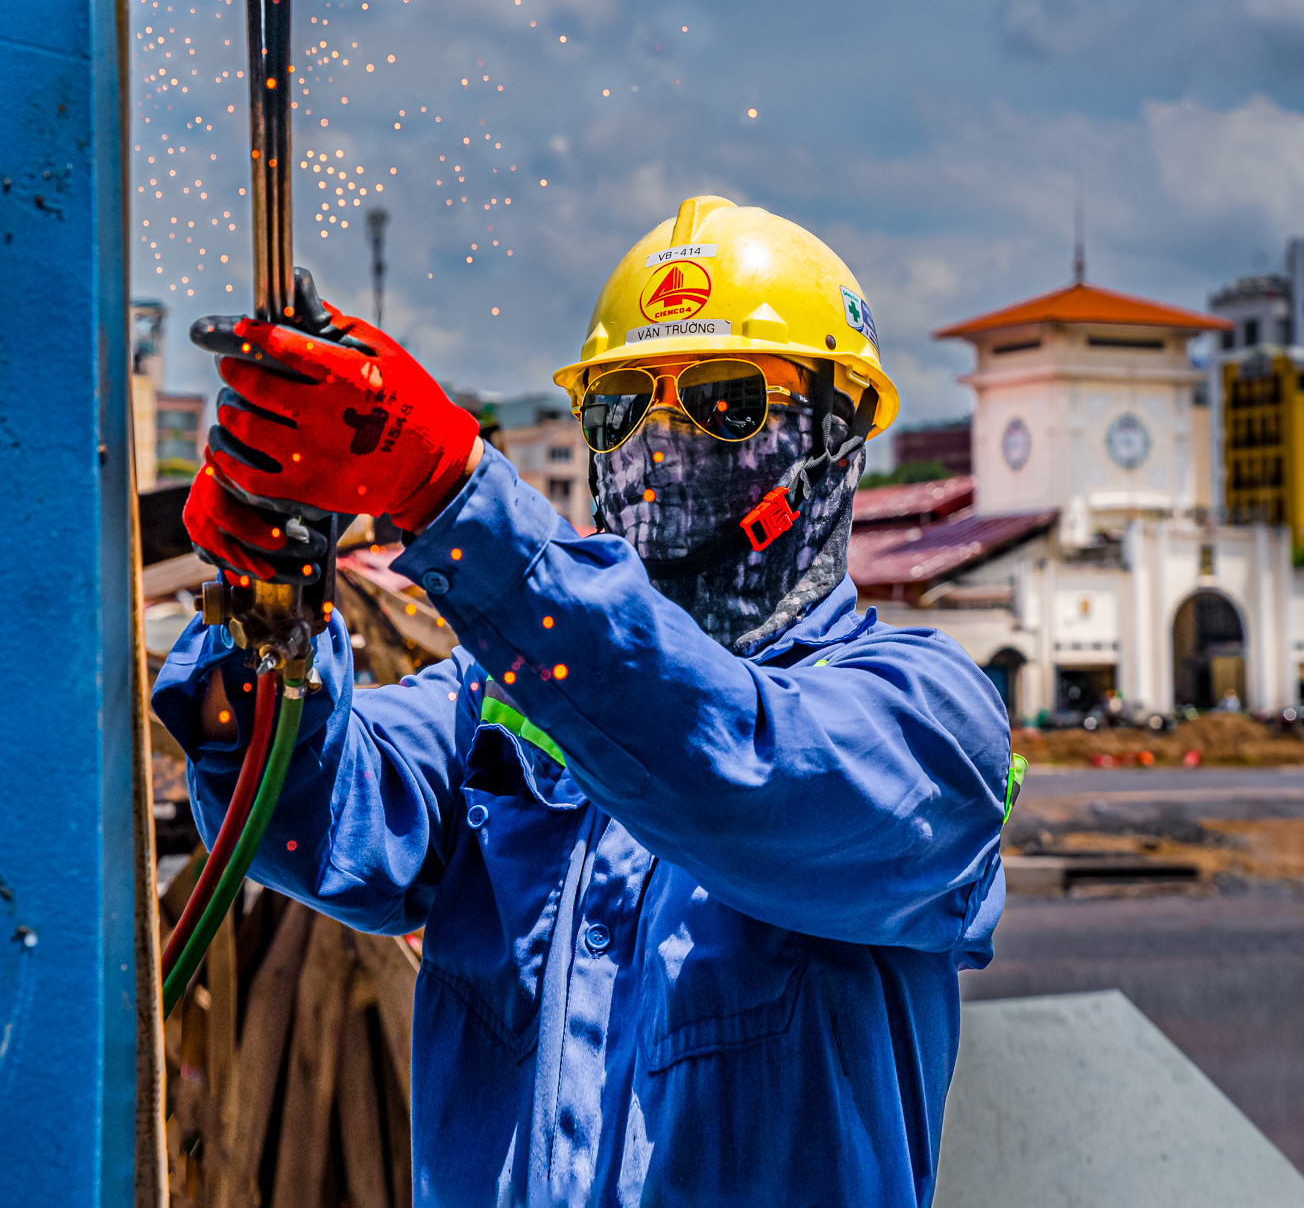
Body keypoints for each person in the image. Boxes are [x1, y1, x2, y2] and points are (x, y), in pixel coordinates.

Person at [153, 195, 1013, 1206]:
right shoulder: (505, 711)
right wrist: (265, 607)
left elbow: (728, 766)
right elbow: (306, 827)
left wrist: (451, 495)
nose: (661, 444)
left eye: (726, 401)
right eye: (621, 409)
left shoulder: (922, 727)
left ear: (841, 434)